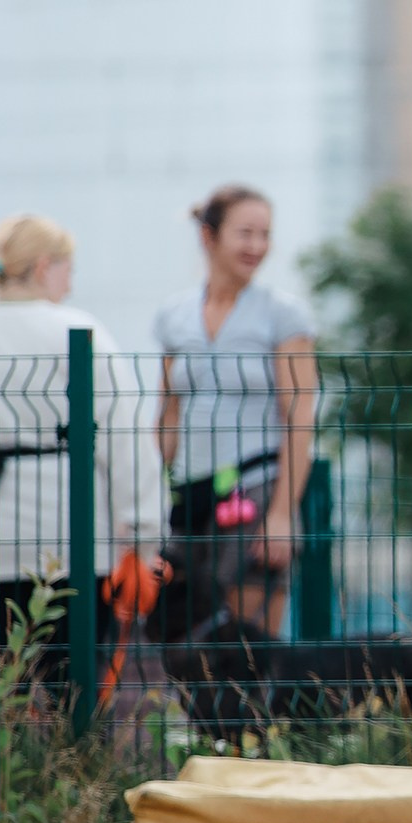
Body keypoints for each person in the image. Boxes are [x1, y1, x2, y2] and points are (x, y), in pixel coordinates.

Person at [0, 216, 164, 685]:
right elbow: (124, 440)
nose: (72, 280)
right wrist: (144, 538)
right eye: (69, 267)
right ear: (46, 266)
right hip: (69, 541)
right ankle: (74, 758)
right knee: (74, 687)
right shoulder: (83, 332)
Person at [155, 186, 318, 635]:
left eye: (265, 234)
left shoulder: (284, 315)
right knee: (181, 638)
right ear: (209, 236)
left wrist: (283, 513)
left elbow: (300, 414)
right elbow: (168, 415)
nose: (257, 246)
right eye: (244, 233)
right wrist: (150, 499)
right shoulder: (174, 316)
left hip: (255, 489)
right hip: (189, 496)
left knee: (250, 649)